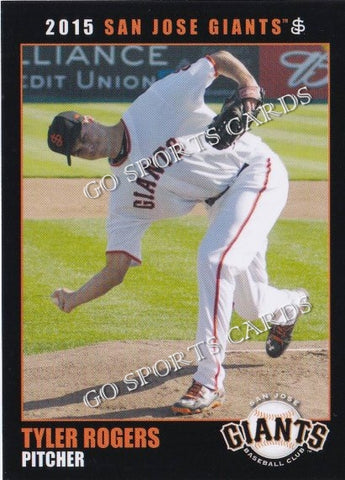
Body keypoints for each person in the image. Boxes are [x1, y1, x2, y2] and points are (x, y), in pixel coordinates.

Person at [48, 50, 310, 415]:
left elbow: (218, 60)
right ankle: (290, 305)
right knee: (250, 307)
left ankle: (209, 379)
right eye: (78, 149)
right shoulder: (122, 195)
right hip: (222, 206)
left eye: (82, 134)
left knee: (214, 259)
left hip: (256, 173)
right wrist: (75, 298)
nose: (86, 145)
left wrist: (249, 89)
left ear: (89, 120)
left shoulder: (156, 101)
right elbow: (116, 269)